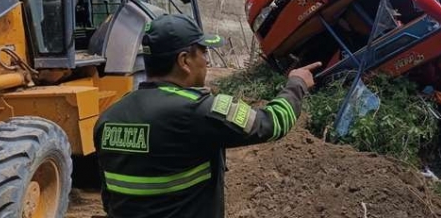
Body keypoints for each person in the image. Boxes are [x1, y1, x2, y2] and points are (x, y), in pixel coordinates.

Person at [93, 14, 322, 218]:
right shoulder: (196, 111)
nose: (208, 60)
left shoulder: (109, 117)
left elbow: (109, 197)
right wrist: (297, 84)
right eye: (203, 51)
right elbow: (272, 123)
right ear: (184, 61)